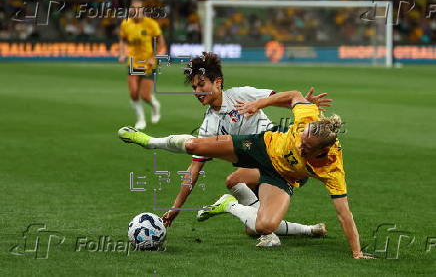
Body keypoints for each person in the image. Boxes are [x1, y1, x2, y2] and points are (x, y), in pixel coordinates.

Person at [117, 89, 373, 259]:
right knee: (196, 145)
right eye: (301, 139)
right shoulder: (308, 118)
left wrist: (357, 252)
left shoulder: (332, 169)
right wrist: (259, 103)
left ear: (323, 149)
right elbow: (295, 95)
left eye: (306, 147)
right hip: (261, 146)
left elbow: (344, 214)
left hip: (281, 177)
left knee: (264, 226)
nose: (299, 144)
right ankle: (149, 140)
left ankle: (230, 205)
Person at [158, 52, 331, 239]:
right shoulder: (208, 126)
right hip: (256, 163)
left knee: (240, 189)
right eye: (194, 87)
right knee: (254, 226)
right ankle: (309, 230)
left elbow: (278, 98)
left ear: (217, 82)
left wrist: (302, 105)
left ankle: (232, 206)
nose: (197, 91)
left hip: (280, 153)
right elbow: (194, 169)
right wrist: (175, 208)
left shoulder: (240, 94)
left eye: (201, 85)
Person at [118, 0, 166, 129]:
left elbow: (161, 44)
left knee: (145, 96)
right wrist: (122, 53)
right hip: (133, 62)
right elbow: (122, 40)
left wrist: (153, 57)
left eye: (138, 8)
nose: (135, 11)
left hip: (148, 63)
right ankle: (141, 119)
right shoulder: (125, 24)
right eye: (133, 8)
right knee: (133, 92)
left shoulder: (151, 24)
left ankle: (155, 105)